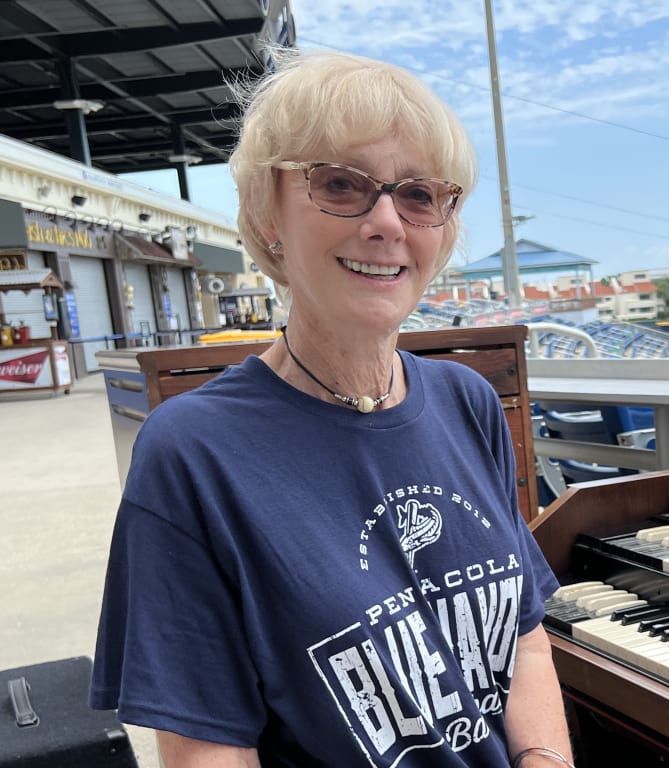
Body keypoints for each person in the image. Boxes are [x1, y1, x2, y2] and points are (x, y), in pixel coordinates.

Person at [91, 49, 571, 768]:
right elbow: (206, 755)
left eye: (419, 195)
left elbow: (524, 640)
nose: (386, 222)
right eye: (341, 185)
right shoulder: (193, 453)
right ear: (267, 212)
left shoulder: (466, 403)